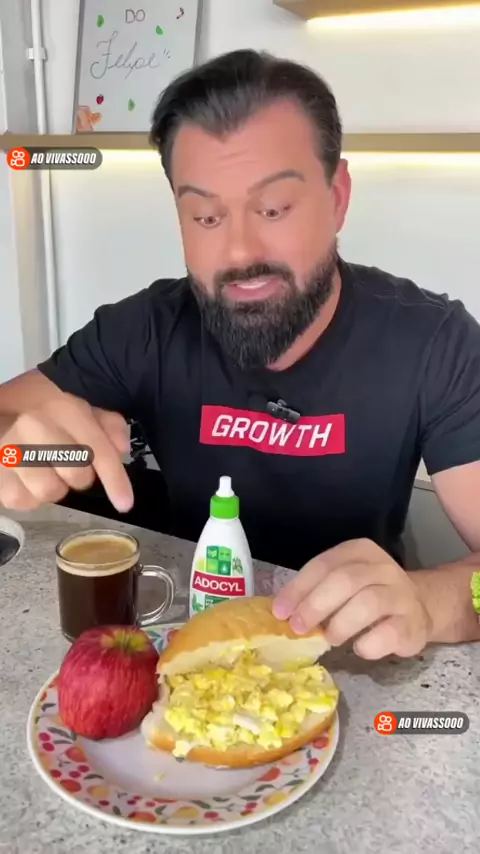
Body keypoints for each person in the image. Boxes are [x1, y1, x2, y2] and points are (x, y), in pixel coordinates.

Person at [1, 50, 480, 658]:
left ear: (337, 197)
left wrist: (430, 601)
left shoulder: (434, 343)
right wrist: (14, 449)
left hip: (355, 663)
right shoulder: (146, 329)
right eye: (205, 216)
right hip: (188, 647)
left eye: (273, 209)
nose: (239, 252)